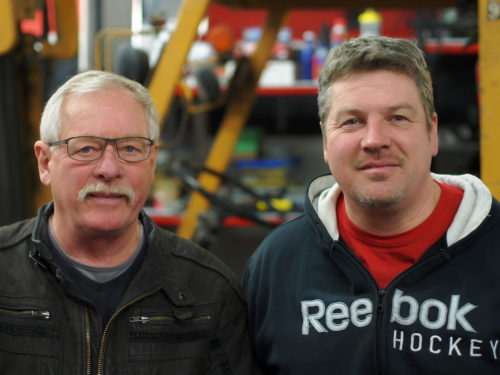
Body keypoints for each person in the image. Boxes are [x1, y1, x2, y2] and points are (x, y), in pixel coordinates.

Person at [242, 36, 500, 374]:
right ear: (325, 141)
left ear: (432, 132)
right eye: (352, 121)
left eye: (397, 118)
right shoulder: (276, 264)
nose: (375, 140)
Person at [0, 70, 259, 374]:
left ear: (152, 163)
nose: (109, 169)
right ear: (45, 163)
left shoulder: (211, 294)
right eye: (86, 148)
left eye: (131, 149)